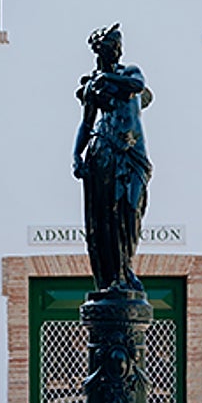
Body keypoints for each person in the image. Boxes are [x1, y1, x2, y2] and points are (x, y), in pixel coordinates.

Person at [73, 24, 152, 292]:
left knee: (131, 208)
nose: (116, 52)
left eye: (118, 47)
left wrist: (107, 78)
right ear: (100, 51)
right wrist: (76, 155)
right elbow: (86, 123)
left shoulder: (129, 73)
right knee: (107, 215)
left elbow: (138, 85)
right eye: (111, 47)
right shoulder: (93, 87)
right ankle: (116, 274)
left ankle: (126, 267)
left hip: (134, 154)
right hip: (105, 150)